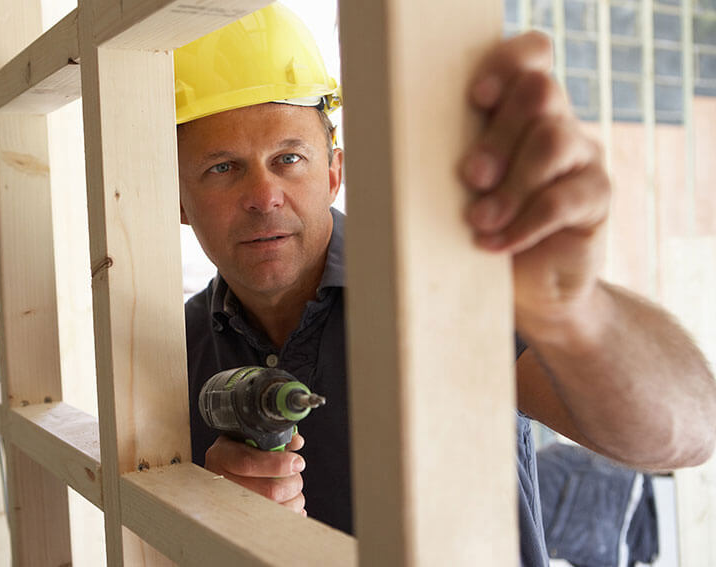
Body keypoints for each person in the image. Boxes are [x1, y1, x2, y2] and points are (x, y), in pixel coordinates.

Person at [175, 4, 716, 565]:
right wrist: (209, 519)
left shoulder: (439, 291)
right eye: (223, 168)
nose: (264, 195)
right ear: (179, 200)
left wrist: (574, 311)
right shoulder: (173, 352)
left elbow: (686, 434)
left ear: (334, 172)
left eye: (289, 158)